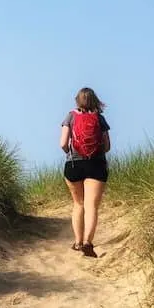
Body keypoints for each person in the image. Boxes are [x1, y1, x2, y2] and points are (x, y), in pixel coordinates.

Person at [60, 87, 111, 258]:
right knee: (92, 206)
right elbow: (107, 146)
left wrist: (70, 152)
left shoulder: (70, 116)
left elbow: (62, 143)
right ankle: (88, 243)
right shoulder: (99, 118)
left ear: (77, 100)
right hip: (96, 164)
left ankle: (77, 242)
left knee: (78, 204)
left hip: (74, 164)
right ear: (95, 100)